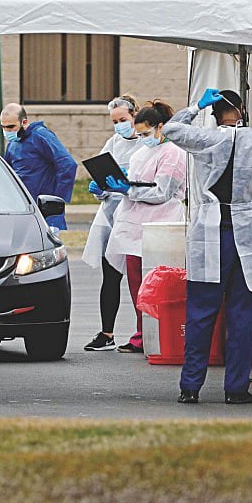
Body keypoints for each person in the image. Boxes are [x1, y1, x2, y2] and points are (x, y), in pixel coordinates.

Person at [162, 88, 252, 405]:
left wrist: (194, 107)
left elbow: (171, 129)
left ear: (212, 112)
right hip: (248, 234)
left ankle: (190, 387)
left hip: (210, 234)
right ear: (242, 109)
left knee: (201, 313)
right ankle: (236, 388)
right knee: (241, 315)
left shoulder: (206, 139)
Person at [102, 100, 187, 353]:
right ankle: (143, 333)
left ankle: (160, 334)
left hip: (160, 225)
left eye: (147, 134)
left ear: (161, 127)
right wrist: (117, 186)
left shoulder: (173, 153)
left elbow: (163, 192)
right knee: (137, 285)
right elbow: (134, 183)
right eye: (139, 135)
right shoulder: (141, 152)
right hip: (134, 227)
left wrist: (129, 190)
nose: (142, 138)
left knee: (157, 285)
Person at [83, 94, 143, 352]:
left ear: (134, 116)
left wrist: (128, 184)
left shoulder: (145, 145)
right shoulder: (113, 143)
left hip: (134, 215)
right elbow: (101, 171)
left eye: (123, 119)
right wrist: (98, 188)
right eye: (115, 121)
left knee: (138, 278)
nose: (119, 125)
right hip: (111, 214)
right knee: (110, 276)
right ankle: (107, 332)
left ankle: (144, 333)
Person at [1, 103, 78, 232]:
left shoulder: (40, 136)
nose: (7, 131)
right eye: (3, 127)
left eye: (11, 127)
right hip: (23, 209)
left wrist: (57, 200)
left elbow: (67, 164)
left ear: (24, 122)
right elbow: (8, 173)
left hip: (47, 211)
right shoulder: (13, 144)